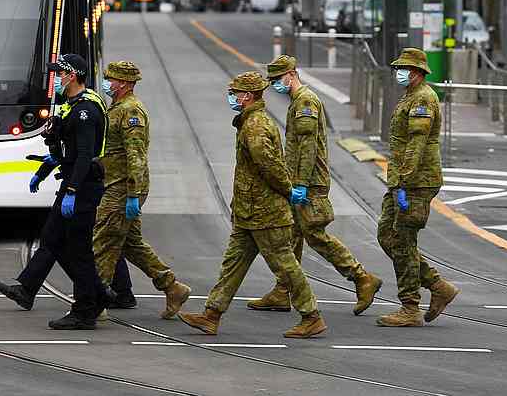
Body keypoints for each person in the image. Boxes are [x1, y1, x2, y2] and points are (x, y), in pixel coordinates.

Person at [178, 71, 326, 338]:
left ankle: (311, 316)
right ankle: (211, 314)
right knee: (233, 263)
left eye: (235, 93)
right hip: (250, 211)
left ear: (247, 96)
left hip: (265, 211)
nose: (231, 97)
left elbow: (269, 165)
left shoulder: (256, 125)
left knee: (284, 264)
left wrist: (288, 189)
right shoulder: (249, 121)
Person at [250, 55, 383, 315]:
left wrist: (299, 184)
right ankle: (283, 290)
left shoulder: (306, 102)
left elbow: (308, 147)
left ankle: (362, 278)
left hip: (309, 183)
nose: (276, 84)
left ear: (291, 75)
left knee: (315, 235)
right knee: (291, 236)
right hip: (300, 180)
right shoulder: (298, 101)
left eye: (278, 79)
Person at [0, 53, 112, 330]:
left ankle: (86, 310)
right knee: (52, 238)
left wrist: (72, 190)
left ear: (73, 76)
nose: (57, 78)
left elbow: (85, 155)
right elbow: (67, 149)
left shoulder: (85, 111)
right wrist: (47, 165)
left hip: (82, 186)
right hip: (73, 181)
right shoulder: (71, 105)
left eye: (60, 74)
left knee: (78, 249)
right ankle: (90, 294)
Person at [93, 60, 191, 319]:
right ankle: (172, 287)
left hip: (122, 187)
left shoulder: (131, 111)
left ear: (123, 83)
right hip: (117, 184)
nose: (106, 83)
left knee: (103, 242)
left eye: (110, 79)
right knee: (130, 244)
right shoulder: (118, 107)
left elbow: (136, 155)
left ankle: (94, 300)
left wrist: (133, 194)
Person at [376, 48, 460, 327]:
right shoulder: (411, 96)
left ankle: (410, 307)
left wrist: (403, 181)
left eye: (403, 69)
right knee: (387, 235)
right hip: (402, 180)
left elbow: (417, 144)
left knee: (402, 241)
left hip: (415, 182)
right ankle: (437, 286)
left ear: (416, 72)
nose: (398, 72)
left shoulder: (423, 98)